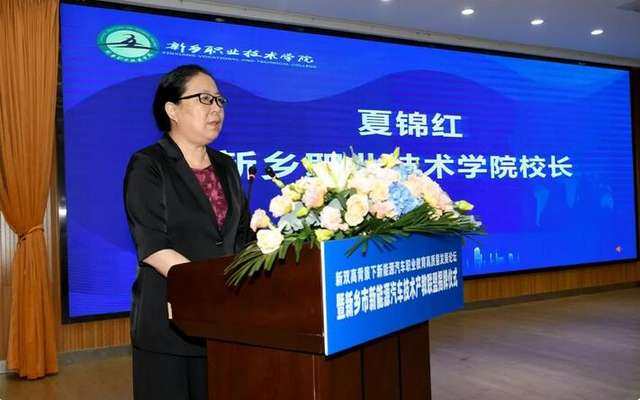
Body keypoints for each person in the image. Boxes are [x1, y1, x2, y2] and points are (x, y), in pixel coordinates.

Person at [123, 64, 251, 399]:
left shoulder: (226, 165)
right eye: (204, 99)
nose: (216, 108)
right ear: (172, 110)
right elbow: (153, 244)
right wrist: (208, 289)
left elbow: (240, 237)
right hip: (168, 323)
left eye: (219, 100)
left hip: (222, 323)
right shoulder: (148, 164)